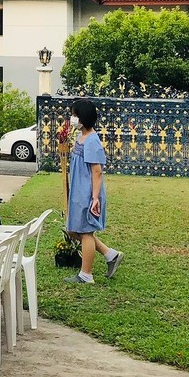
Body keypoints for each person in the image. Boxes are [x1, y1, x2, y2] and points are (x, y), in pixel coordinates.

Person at [65, 98, 123, 285]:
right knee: (73, 229)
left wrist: (95, 198)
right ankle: (110, 254)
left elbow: (97, 171)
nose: (73, 118)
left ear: (83, 117)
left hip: (87, 192)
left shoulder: (92, 141)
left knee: (85, 231)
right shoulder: (81, 137)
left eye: (75, 115)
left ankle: (86, 274)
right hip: (78, 190)